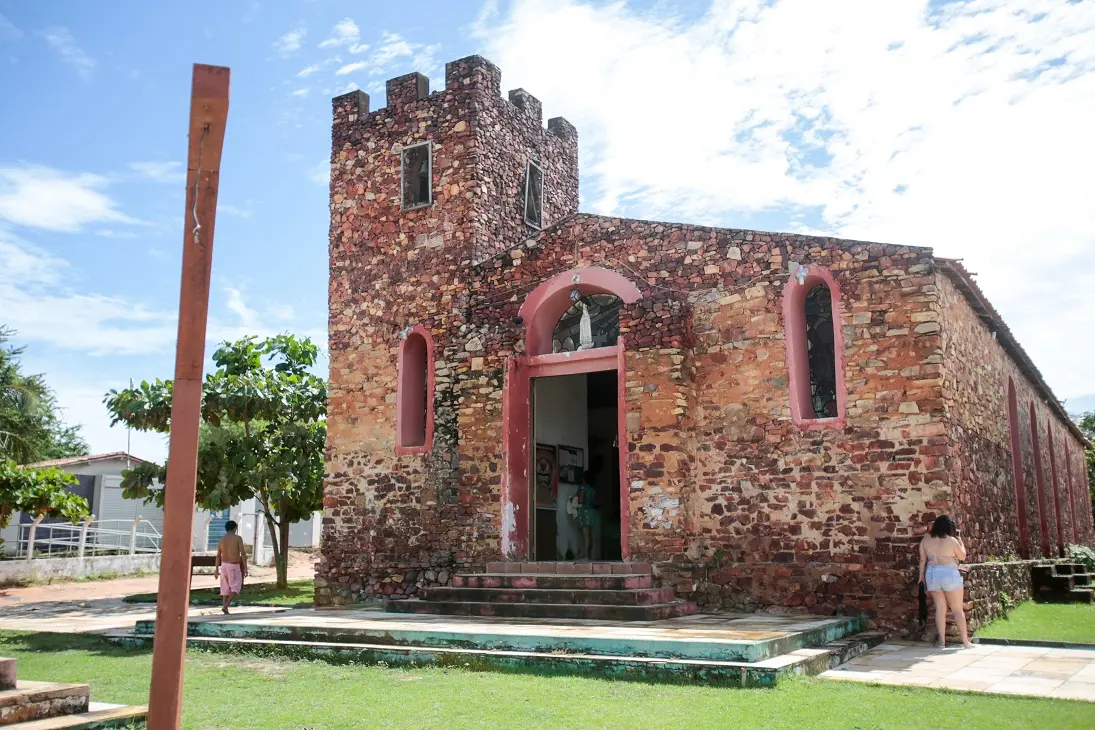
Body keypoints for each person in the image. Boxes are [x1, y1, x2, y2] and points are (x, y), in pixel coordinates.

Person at [918, 515, 973, 649]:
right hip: (948, 572)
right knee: (957, 609)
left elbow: (922, 560)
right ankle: (965, 642)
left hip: (932, 573)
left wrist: (921, 577)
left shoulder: (926, 539)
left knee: (940, 609)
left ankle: (942, 642)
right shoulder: (951, 540)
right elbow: (962, 556)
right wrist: (961, 543)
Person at [214, 520, 247, 615]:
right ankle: (226, 605)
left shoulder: (222, 540)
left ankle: (226, 608)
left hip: (224, 565)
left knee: (225, 588)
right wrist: (245, 567)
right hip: (233, 565)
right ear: (234, 528)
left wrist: (216, 570)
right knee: (236, 588)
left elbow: (218, 555)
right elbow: (243, 554)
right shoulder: (238, 538)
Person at [575, 470, 598, 560]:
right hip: (591, 512)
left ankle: (585, 555)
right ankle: (590, 555)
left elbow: (579, 500)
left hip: (583, 512)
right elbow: (593, 502)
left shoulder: (582, 488)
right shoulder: (592, 490)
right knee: (591, 535)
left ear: (584, 479)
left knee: (585, 535)